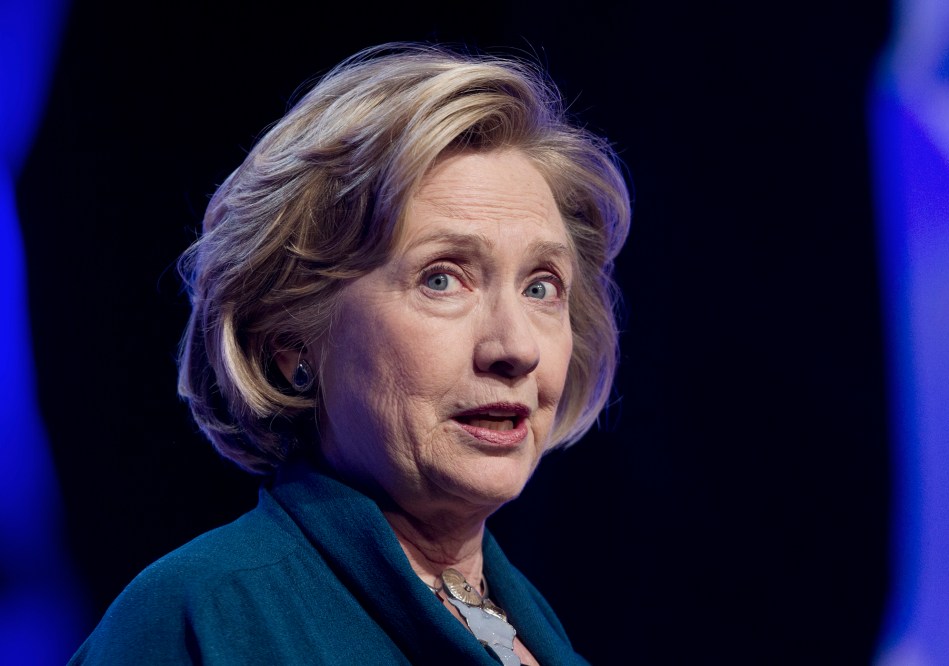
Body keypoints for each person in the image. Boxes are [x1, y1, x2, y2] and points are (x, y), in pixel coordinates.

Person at [69, 42, 630, 665]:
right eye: (442, 278)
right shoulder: (201, 616)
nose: (516, 347)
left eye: (541, 287)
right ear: (289, 339)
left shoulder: (533, 629)